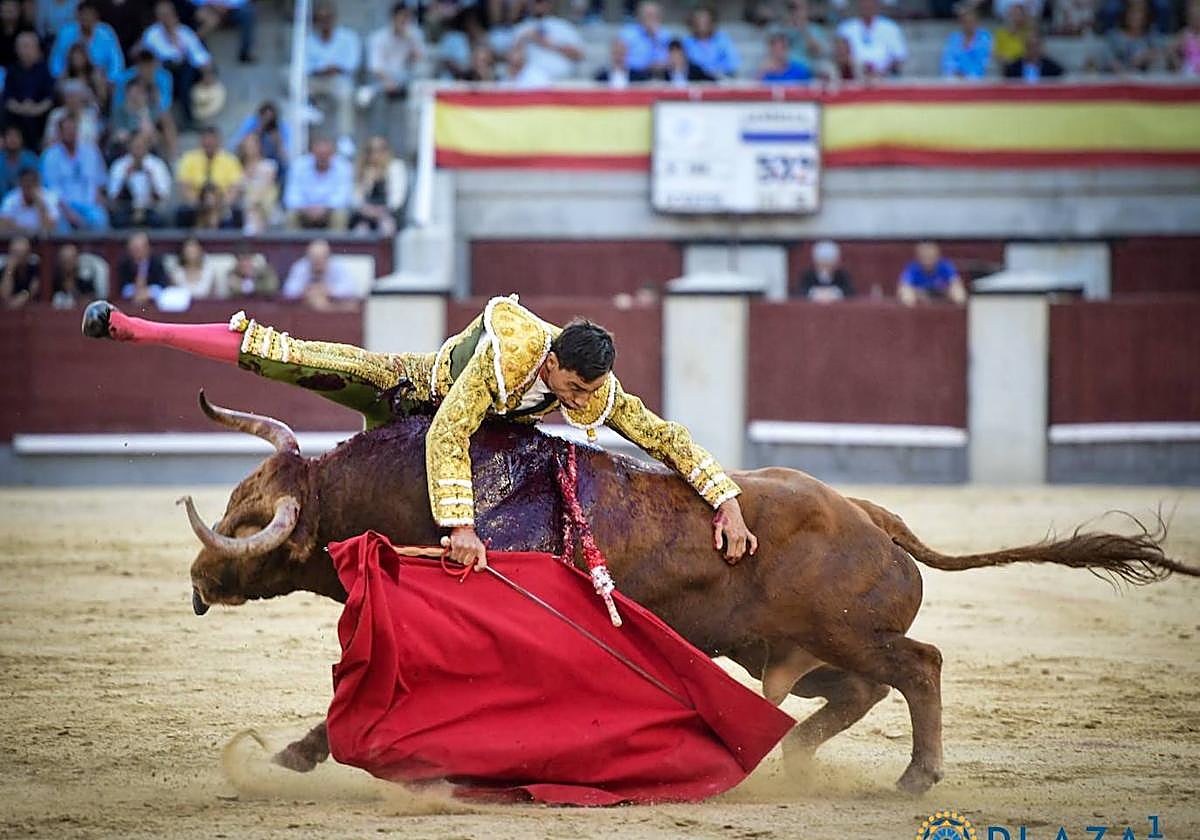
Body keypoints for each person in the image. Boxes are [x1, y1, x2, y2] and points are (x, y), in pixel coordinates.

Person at [83, 294, 759, 568]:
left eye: (588, 394)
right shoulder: (511, 352)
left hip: (452, 454)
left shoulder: (592, 385)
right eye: (574, 390)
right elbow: (446, 434)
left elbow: (662, 436)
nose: (580, 405)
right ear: (552, 362)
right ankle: (134, 328)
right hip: (408, 394)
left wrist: (724, 499)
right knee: (286, 353)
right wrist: (461, 527)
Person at [138, 0, 213, 129]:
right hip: (162, 69)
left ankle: (189, 120)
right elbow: (147, 57)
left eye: (168, 14)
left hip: (185, 69)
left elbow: (199, 54)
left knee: (188, 70)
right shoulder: (151, 34)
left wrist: (207, 72)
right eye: (162, 15)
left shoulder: (184, 32)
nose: (166, 18)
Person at [39, 114, 109, 230]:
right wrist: (68, 212)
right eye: (67, 130)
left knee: (100, 219)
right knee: (60, 224)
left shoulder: (91, 152)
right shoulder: (50, 156)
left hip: (89, 205)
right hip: (62, 207)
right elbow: (51, 191)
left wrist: (97, 201)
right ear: (59, 133)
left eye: (73, 129)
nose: (71, 133)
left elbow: (99, 183)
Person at [305, 2, 361, 145]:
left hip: (338, 80)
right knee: (292, 79)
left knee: (346, 91)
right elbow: (305, 67)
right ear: (316, 21)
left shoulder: (348, 37)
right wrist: (323, 69)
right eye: (321, 19)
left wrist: (332, 68)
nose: (325, 22)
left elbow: (352, 64)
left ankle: (344, 137)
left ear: (334, 18)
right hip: (314, 81)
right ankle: (308, 110)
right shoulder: (309, 41)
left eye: (328, 18)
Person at [175, 126, 244, 228]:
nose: (209, 143)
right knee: (182, 212)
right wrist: (199, 204)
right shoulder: (189, 159)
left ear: (218, 141)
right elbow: (184, 186)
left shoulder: (230, 161)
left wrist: (221, 205)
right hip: (197, 205)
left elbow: (235, 188)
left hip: (222, 204)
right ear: (201, 141)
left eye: (212, 140)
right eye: (206, 140)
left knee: (234, 215)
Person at [506, 0, 583, 88]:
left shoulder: (564, 26)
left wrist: (549, 44)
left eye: (542, 1)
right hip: (530, 83)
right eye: (536, 2)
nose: (539, 5)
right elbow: (512, 63)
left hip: (562, 82)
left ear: (550, 3)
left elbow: (579, 56)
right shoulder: (521, 29)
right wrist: (523, 40)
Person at [283, 136, 353, 231]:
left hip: (329, 211)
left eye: (325, 154)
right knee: (291, 215)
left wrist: (324, 209)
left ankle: (336, 246)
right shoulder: (299, 165)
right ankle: (292, 246)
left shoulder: (343, 167)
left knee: (340, 215)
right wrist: (306, 209)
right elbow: (291, 196)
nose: (322, 158)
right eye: (319, 154)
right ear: (312, 153)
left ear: (332, 154)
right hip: (304, 211)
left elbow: (342, 197)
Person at [364, 3, 425, 106]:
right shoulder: (378, 38)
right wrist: (389, 82)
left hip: (406, 82)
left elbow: (419, 60)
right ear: (393, 18)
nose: (405, 22)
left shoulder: (414, 35)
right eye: (403, 18)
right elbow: (375, 67)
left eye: (408, 19)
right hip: (382, 83)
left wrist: (410, 39)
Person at [106, 132, 171, 228]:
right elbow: (113, 198)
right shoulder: (119, 165)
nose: (138, 150)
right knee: (118, 220)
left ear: (147, 146)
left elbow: (163, 197)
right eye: (136, 146)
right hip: (126, 209)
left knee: (160, 220)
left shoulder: (158, 165)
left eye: (141, 146)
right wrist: (125, 180)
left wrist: (151, 180)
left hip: (150, 209)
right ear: (129, 146)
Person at [48, 0, 124, 81]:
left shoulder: (106, 32)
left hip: (99, 78)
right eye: (84, 15)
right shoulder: (66, 32)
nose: (87, 18)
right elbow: (56, 60)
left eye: (90, 15)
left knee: (98, 76)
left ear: (96, 17)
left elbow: (117, 60)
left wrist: (111, 79)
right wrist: (58, 76)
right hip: (71, 77)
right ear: (77, 16)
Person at [3, 31, 55, 149]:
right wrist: (23, 109)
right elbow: (8, 99)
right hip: (16, 116)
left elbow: (49, 99)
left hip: (40, 116)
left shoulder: (45, 71)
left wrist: (34, 109)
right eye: (22, 47)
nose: (25, 51)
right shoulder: (12, 70)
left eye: (28, 46)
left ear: (37, 49)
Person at [281, 238, 361, 310]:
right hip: (307, 305)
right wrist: (307, 291)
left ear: (328, 257)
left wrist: (327, 290)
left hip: (335, 302)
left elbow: (350, 289)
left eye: (321, 258)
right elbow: (289, 291)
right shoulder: (301, 266)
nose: (317, 262)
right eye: (314, 258)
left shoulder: (339, 266)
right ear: (308, 257)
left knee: (351, 305)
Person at [350, 135, 407, 237]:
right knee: (360, 231)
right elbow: (355, 200)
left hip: (387, 213)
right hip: (365, 214)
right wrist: (367, 183)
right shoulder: (362, 169)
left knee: (386, 229)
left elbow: (397, 200)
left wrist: (380, 211)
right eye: (370, 150)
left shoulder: (395, 167)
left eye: (379, 150)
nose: (375, 154)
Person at [836, 0, 906, 76]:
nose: (867, 6)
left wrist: (881, 72)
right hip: (855, 75)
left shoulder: (890, 27)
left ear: (877, 4)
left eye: (870, 3)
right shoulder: (846, 27)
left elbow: (899, 56)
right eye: (864, 3)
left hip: (885, 76)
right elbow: (840, 56)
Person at [1092, 0, 1164, 73]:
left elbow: (1160, 51)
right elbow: (1106, 56)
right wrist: (1116, 64)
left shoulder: (1151, 35)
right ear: (1125, 15)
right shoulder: (1114, 36)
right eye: (1132, 14)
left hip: (1144, 77)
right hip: (1118, 77)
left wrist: (1146, 56)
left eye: (1140, 14)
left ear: (1145, 17)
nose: (1136, 18)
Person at [898, 241, 967, 305]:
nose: (928, 259)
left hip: (942, 293)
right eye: (924, 256)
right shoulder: (912, 268)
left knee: (958, 292)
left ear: (937, 255)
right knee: (906, 293)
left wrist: (950, 289)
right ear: (919, 257)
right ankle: (913, 316)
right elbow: (904, 285)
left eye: (930, 256)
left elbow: (955, 282)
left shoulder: (946, 266)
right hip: (921, 293)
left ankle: (958, 315)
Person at [229, 100, 289, 173]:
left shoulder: (281, 127)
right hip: (249, 160)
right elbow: (238, 142)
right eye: (265, 117)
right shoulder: (252, 123)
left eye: (270, 118)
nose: (268, 120)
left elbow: (285, 154)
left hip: (273, 159)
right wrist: (258, 131)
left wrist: (278, 141)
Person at [683, 5, 739, 79]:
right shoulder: (686, 42)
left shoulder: (723, 40)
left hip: (720, 81)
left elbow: (732, 63)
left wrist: (717, 72)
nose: (702, 24)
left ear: (712, 22)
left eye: (705, 21)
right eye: (699, 21)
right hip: (696, 81)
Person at [42, 78, 102, 147]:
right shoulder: (55, 114)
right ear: (64, 98)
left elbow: (94, 142)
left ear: (82, 97)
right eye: (69, 96)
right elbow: (47, 141)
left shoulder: (90, 116)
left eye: (75, 96)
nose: (72, 100)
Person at [237, 132, 278, 234]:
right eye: (248, 144)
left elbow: (266, 189)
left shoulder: (269, 166)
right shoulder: (236, 168)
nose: (250, 147)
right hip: (241, 206)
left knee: (256, 206)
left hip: (263, 206)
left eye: (253, 144)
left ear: (259, 146)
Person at [192, 0, 257, 63]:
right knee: (205, 19)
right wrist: (211, 3)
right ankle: (196, 53)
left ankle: (244, 52)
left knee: (248, 12)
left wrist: (227, 5)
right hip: (208, 8)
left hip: (231, 9)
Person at [0, 167, 61, 233]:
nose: (29, 190)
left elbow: (50, 228)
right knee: (20, 243)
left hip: (44, 241)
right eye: (26, 185)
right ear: (20, 184)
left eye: (32, 185)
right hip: (18, 238)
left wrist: (41, 205)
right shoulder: (11, 199)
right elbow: (2, 225)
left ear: (38, 184)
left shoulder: (50, 197)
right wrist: (29, 232)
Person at [940, 2, 992, 79]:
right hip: (956, 77)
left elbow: (985, 61)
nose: (968, 25)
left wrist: (969, 75)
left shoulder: (985, 38)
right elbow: (947, 60)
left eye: (971, 21)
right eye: (965, 22)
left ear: (976, 21)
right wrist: (955, 71)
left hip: (978, 78)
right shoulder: (954, 38)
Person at [779, 0, 828, 79]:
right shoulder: (781, 29)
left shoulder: (815, 30)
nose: (796, 12)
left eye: (800, 8)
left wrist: (803, 29)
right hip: (784, 73)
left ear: (807, 10)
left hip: (807, 73)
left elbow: (818, 52)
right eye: (793, 8)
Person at [620, 1, 672, 74]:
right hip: (633, 74)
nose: (651, 19)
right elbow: (621, 59)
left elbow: (669, 60)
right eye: (648, 15)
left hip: (660, 74)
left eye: (655, 16)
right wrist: (645, 66)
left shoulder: (665, 35)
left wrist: (655, 38)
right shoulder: (627, 33)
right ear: (639, 16)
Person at [116, 230, 168, 303]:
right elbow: (121, 288)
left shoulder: (157, 262)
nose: (137, 251)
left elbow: (162, 286)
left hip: (152, 298)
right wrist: (136, 291)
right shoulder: (124, 263)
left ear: (148, 248)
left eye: (140, 248)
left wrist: (147, 292)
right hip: (131, 298)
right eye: (134, 248)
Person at [51, 242, 101, 308]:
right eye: (65, 260)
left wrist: (74, 292)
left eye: (70, 259)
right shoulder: (53, 283)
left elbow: (92, 302)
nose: (67, 263)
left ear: (76, 260)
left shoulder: (85, 282)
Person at [0, 235, 40, 308]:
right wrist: (9, 270)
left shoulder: (34, 269)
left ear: (28, 254)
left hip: (30, 307)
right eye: (16, 253)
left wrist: (25, 295)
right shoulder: (3, 270)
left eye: (23, 253)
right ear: (10, 253)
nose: (20, 257)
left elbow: (34, 288)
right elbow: (4, 295)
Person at [0, 125, 38, 198]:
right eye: (9, 136)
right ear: (4, 140)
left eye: (16, 136)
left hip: (28, 201)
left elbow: (37, 185)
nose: (13, 140)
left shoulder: (31, 158)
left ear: (22, 139)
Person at [993, 0, 1034, 65]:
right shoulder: (1000, 33)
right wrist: (1005, 58)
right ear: (1008, 16)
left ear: (1024, 17)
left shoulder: (1029, 32)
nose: (1015, 18)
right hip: (1007, 66)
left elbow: (1031, 52)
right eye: (1013, 14)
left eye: (1019, 15)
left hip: (1023, 65)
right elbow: (996, 53)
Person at [1173, 0, 1200, 75]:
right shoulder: (1184, 34)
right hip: (1188, 72)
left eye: (1198, 17)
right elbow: (1171, 51)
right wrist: (1178, 65)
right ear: (1189, 18)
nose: (1196, 20)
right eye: (1194, 17)